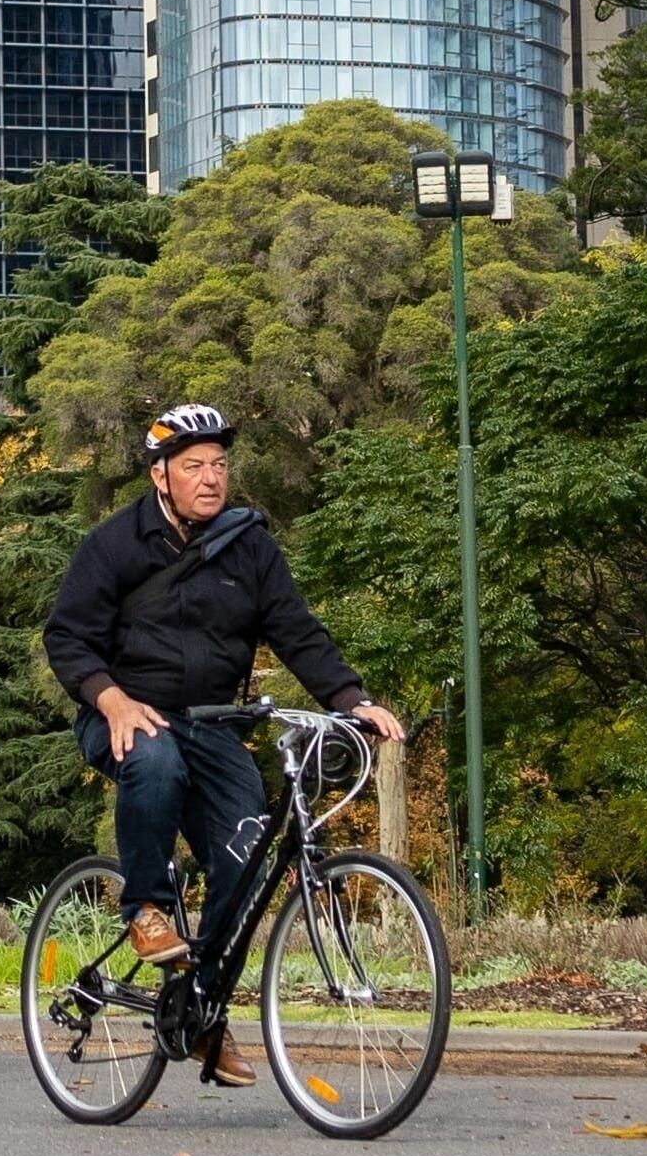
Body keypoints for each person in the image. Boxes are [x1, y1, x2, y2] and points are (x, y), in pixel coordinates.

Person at [39, 400, 393, 1050]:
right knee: (156, 758)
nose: (210, 477)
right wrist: (110, 698)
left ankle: (198, 1005)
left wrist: (351, 697)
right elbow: (66, 638)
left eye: (220, 464)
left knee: (247, 855)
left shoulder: (249, 546)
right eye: (194, 465)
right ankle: (145, 908)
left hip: (214, 727)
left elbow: (297, 630)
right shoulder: (114, 544)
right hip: (126, 717)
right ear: (161, 475)